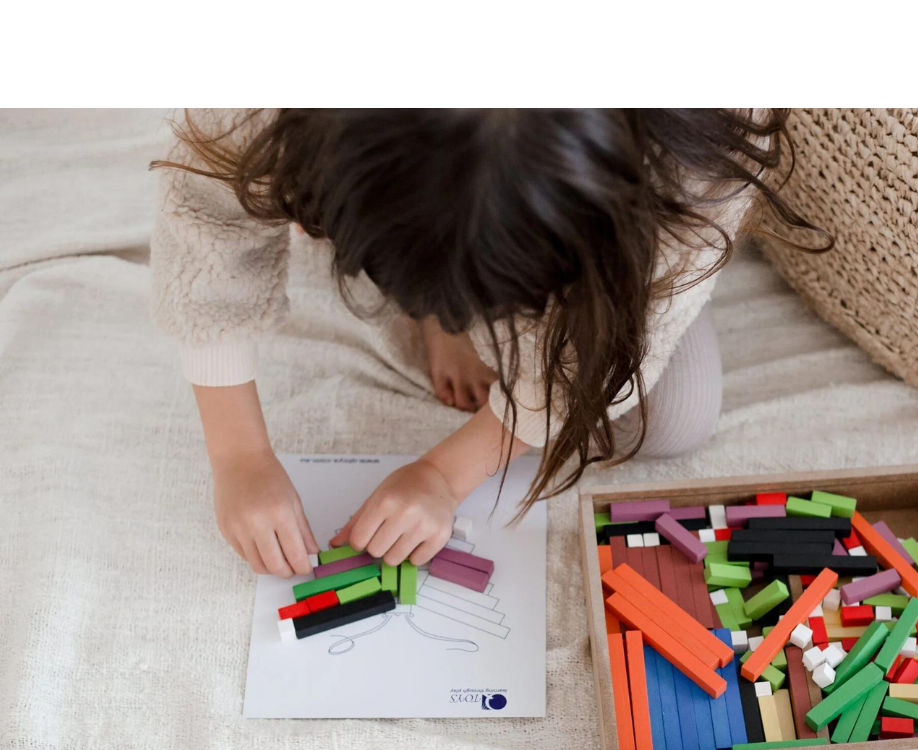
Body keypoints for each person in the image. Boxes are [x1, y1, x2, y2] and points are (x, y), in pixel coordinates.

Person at [151, 109, 816, 577]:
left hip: (625, 208)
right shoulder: (256, 106)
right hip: (404, 177)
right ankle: (442, 292)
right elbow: (203, 221)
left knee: (677, 412)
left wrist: (448, 472)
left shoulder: (699, 143)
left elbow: (641, 326)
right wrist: (238, 455)